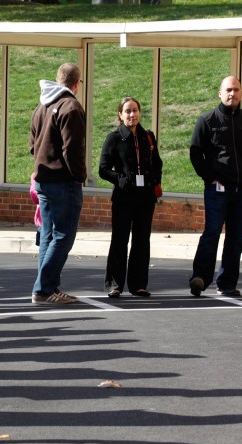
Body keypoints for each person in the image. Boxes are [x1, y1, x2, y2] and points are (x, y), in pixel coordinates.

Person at [188, 76, 242, 297]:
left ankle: (227, 283)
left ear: (241, 93)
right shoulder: (207, 120)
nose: (233, 94)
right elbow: (195, 152)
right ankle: (200, 278)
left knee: (237, 238)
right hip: (217, 190)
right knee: (211, 232)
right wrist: (209, 178)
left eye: (236, 90)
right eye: (228, 90)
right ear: (220, 93)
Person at [29, 63, 87, 305]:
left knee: (48, 235)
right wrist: (79, 175)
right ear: (77, 84)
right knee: (63, 236)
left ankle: (47, 287)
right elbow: (71, 149)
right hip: (63, 181)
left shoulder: (42, 106)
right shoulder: (71, 107)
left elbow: (33, 145)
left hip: (43, 180)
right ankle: (44, 289)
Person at [99, 97, 163, 298]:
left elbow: (157, 164)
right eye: (127, 111)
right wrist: (121, 179)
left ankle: (138, 285)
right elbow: (103, 169)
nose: (132, 114)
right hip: (124, 197)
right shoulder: (114, 138)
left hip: (145, 198)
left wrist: (153, 179)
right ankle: (115, 284)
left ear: (140, 112)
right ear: (120, 114)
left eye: (135, 110)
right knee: (120, 240)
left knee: (142, 240)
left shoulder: (148, 137)